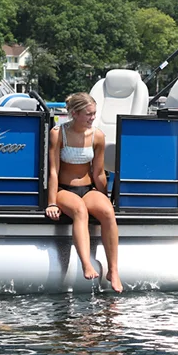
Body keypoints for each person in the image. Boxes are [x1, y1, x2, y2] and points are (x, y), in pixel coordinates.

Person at [46, 92, 122, 292]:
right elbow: (53, 171)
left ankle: (113, 270)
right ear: (74, 113)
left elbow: (98, 173)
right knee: (80, 210)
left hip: (88, 187)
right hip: (64, 189)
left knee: (107, 212)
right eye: (88, 114)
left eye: (94, 113)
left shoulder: (97, 136)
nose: (92, 118)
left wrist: (105, 197)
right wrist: (52, 202)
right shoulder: (57, 133)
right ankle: (86, 264)